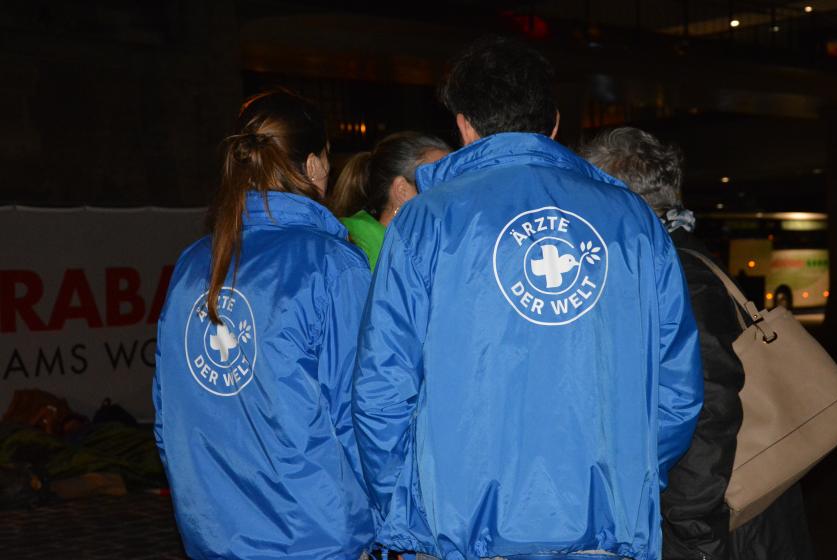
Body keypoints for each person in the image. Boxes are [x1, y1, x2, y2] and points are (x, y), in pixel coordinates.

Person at [353, 37, 703, 560]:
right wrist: (628, 483)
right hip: (600, 531)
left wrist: (409, 508)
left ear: (465, 125)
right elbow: (676, 387)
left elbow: (382, 388)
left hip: (462, 531)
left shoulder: (427, 222)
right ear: (555, 122)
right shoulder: (632, 221)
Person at [152, 90, 374, 559]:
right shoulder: (333, 265)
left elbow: (168, 411)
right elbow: (361, 413)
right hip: (315, 537)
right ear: (313, 166)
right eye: (328, 162)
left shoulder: (194, 264)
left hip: (213, 533)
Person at [581, 126, 815, 560]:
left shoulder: (679, 276)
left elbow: (710, 409)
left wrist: (692, 534)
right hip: (738, 514)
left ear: (620, 200)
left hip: (728, 525)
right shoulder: (681, 255)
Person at [327, 132, 451, 270]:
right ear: (402, 190)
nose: (453, 193)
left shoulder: (415, 249)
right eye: (440, 182)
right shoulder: (354, 250)